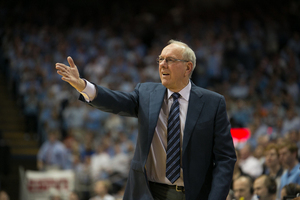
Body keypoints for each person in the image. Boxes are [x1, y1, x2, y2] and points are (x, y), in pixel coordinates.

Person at [56, 40, 236, 200]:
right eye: (161, 59)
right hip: (147, 192)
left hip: (191, 194)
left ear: (188, 67)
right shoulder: (146, 92)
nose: (162, 65)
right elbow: (117, 101)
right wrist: (84, 86)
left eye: (170, 60)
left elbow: (225, 158)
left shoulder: (213, 103)